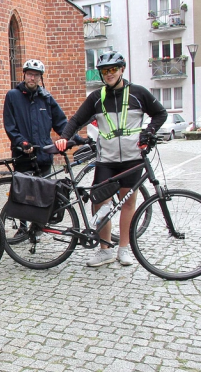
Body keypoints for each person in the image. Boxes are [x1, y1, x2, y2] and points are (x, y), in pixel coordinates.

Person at [54, 51, 167, 267]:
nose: (109, 74)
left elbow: (160, 113)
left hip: (132, 158)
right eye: (105, 71)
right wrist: (64, 138)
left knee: (128, 203)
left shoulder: (138, 93)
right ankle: (104, 250)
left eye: (113, 69)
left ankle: (124, 249)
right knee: (99, 202)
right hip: (106, 159)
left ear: (122, 69)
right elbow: (77, 119)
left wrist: (148, 132)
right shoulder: (97, 97)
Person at [3, 59, 70, 176]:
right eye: (29, 74)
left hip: (43, 155)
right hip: (23, 155)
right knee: (24, 192)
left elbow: (61, 123)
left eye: (36, 75)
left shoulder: (46, 98)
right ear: (24, 75)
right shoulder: (13, 96)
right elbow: (10, 126)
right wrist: (21, 142)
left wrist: (76, 138)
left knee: (45, 192)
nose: (32, 78)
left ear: (40, 77)